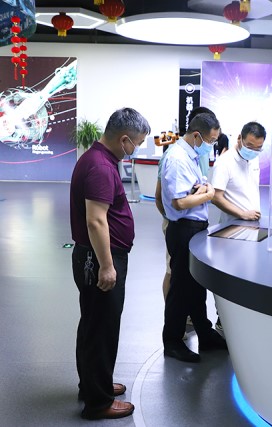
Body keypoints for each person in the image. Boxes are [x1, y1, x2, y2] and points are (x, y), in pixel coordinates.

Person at [70, 107, 150, 420]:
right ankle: (98, 402)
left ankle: (93, 385)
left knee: (93, 325)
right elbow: (96, 221)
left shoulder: (96, 158)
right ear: (124, 139)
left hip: (95, 256)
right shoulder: (101, 167)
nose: (137, 148)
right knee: (102, 329)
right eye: (137, 143)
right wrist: (106, 265)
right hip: (99, 258)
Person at [160, 112, 227, 363]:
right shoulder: (177, 158)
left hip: (195, 226)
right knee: (180, 288)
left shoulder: (191, 156)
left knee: (197, 286)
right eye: (211, 141)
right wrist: (208, 195)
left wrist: (203, 190)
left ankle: (205, 334)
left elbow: (196, 187)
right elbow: (179, 202)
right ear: (197, 135)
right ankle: (172, 341)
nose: (212, 145)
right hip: (183, 228)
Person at [211, 122, 266, 223]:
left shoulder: (254, 158)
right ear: (239, 138)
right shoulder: (224, 162)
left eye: (258, 148)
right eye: (249, 146)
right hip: (232, 224)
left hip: (253, 222)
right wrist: (242, 214)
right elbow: (216, 197)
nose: (253, 151)